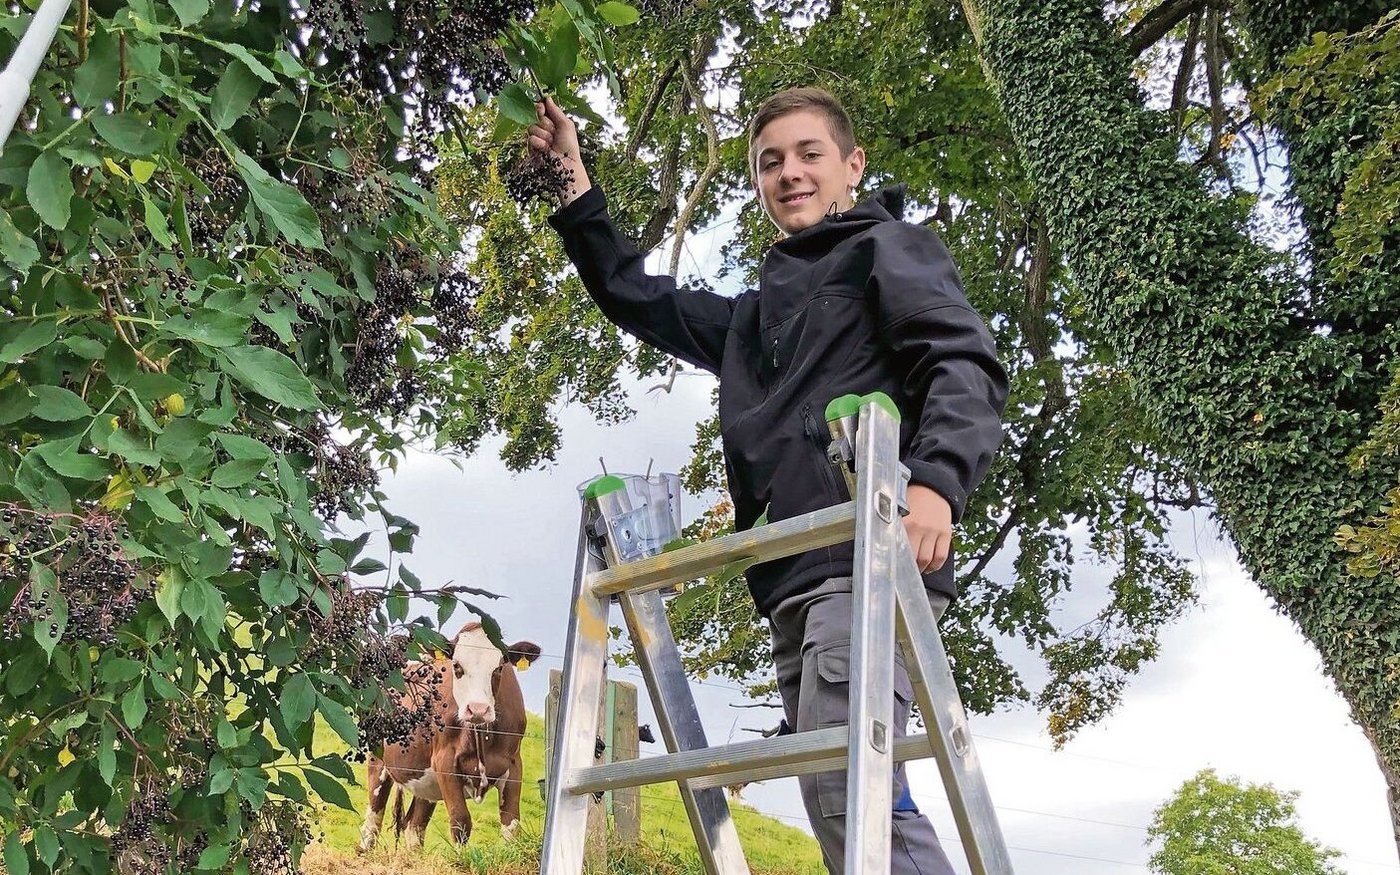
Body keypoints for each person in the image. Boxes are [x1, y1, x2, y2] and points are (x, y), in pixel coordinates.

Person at [532, 87, 1008, 874]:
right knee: (851, 795)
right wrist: (572, 181)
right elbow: (634, 296)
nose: (790, 172)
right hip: (791, 577)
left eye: (809, 154)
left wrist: (937, 484)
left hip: (865, 558)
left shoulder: (886, 251)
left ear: (852, 166)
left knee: (847, 792)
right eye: (769, 162)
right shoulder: (750, 321)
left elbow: (962, 361)